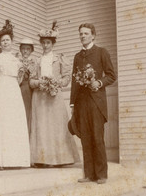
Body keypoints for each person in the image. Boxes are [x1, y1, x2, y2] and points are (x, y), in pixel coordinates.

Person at [70, 23, 116, 184]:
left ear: (93, 35)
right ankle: (89, 174)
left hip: (96, 101)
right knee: (85, 138)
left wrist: (99, 83)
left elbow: (111, 75)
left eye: (86, 33)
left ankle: (101, 175)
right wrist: (72, 104)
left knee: (97, 137)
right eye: (81, 33)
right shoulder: (77, 56)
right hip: (81, 102)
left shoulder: (102, 52)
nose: (82, 36)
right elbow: (74, 81)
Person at [29, 22, 80, 166]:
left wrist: (55, 82)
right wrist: (39, 82)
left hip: (54, 95)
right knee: (42, 126)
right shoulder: (36, 61)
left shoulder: (59, 59)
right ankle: (42, 159)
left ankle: (60, 159)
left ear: (53, 44)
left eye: (48, 43)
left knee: (56, 126)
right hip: (39, 97)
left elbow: (66, 78)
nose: (45, 45)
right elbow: (31, 81)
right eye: (43, 43)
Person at [0, 21, 30, 169]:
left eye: (7, 40)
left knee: (14, 124)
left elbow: (19, 79)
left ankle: (15, 160)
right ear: (0, 43)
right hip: (2, 89)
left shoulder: (17, 60)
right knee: (1, 123)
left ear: (12, 42)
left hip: (14, 91)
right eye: (2, 41)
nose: (5, 43)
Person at [16, 38, 37, 134]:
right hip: (17, 88)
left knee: (28, 112)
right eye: (23, 48)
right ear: (20, 49)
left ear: (31, 50)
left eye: (28, 49)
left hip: (29, 89)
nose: (25, 51)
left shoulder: (34, 62)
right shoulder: (16, 60)